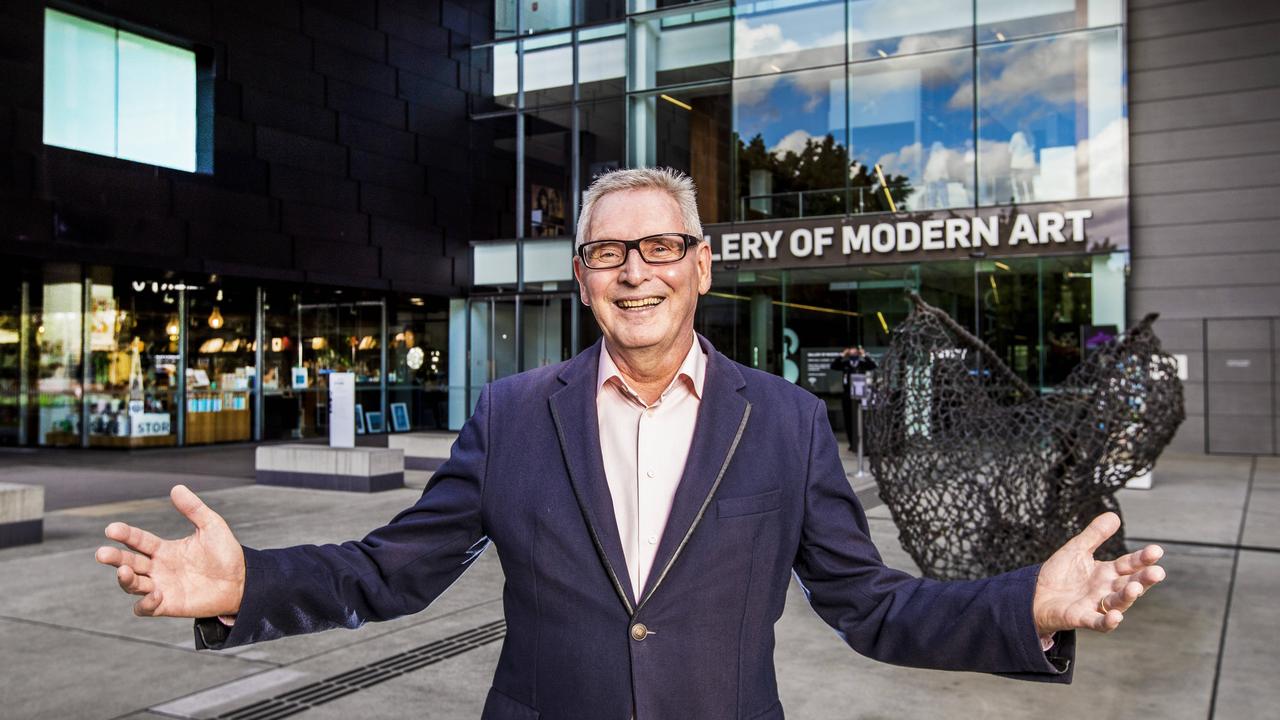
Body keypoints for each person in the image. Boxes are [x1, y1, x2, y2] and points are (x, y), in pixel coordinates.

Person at [96, 168, 1166, 720]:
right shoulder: (514, 413)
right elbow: (396, 571)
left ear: (700, 267)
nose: (634, 271)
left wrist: (1021, 603)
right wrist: (244, 586)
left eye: (660, 246)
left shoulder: (783, 421)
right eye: (608, 251)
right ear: (582, 278)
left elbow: (870, 606)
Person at [829, 346, 877, 451]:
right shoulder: (845, 364)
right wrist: (842, 355)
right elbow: (833, 366)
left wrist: (864, 355)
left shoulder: (862, 364)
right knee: (849, 420)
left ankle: (862, 442)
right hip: (847, 395)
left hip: (861, 395)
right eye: (851, 354)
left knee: (860, 419)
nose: (853, 356)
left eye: (855, 354)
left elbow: (873, 366)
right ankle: (852, 443)